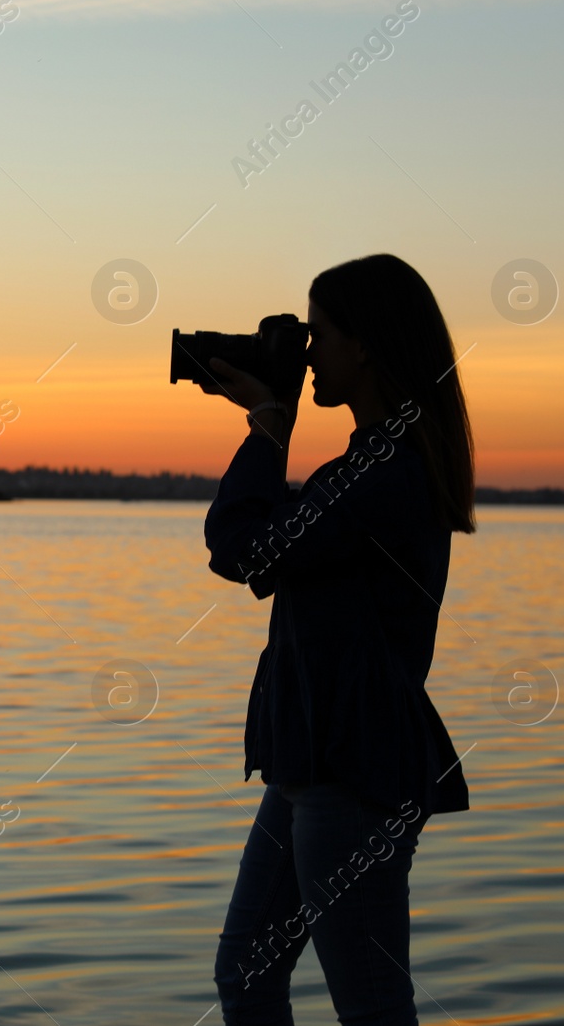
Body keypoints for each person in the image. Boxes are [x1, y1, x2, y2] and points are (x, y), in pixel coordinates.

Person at [200, 254, 473, 1025]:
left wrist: (267, 427)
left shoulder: (383, 474)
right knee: (247, 974)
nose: (308, 353)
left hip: (353, 769)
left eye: (318, 335)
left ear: (366, 344)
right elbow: (272, 535)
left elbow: (243, 548)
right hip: (316, 761)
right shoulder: (367, 465)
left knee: (371, 1001)